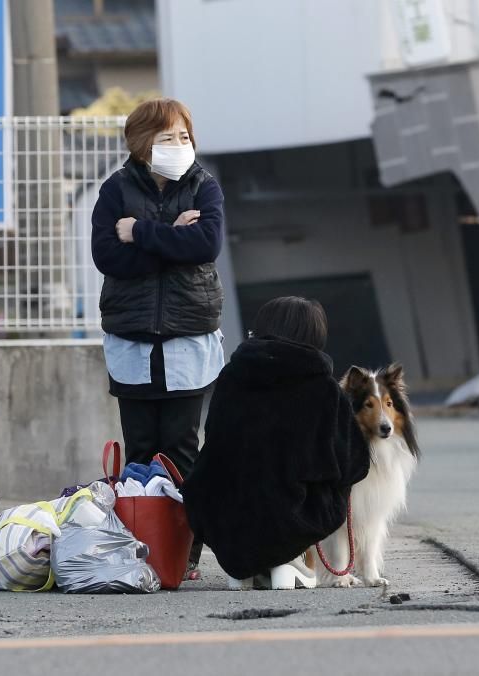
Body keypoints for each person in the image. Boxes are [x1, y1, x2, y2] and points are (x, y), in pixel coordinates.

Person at [91, 98, 226, 576]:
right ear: (142, 143)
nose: (179, 146)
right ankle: (143, 545)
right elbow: (108, 256)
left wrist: (144, 233)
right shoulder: (115, 189)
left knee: (182, 449)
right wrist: (172, 239)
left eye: (184, 136)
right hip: (132, 340)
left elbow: (206, 244)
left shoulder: (204, 187)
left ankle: (184, 552)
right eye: (168, 137)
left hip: (188, 339)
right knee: (142, 449)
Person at [182, 297, 371, 590]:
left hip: (226, 523)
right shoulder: (323, 388)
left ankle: (242, 569)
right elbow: (355, 464)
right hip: (292, 519)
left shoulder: (231, 376)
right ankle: (289, 557)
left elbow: (214, 444)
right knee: (339, 473)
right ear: (312, 335)